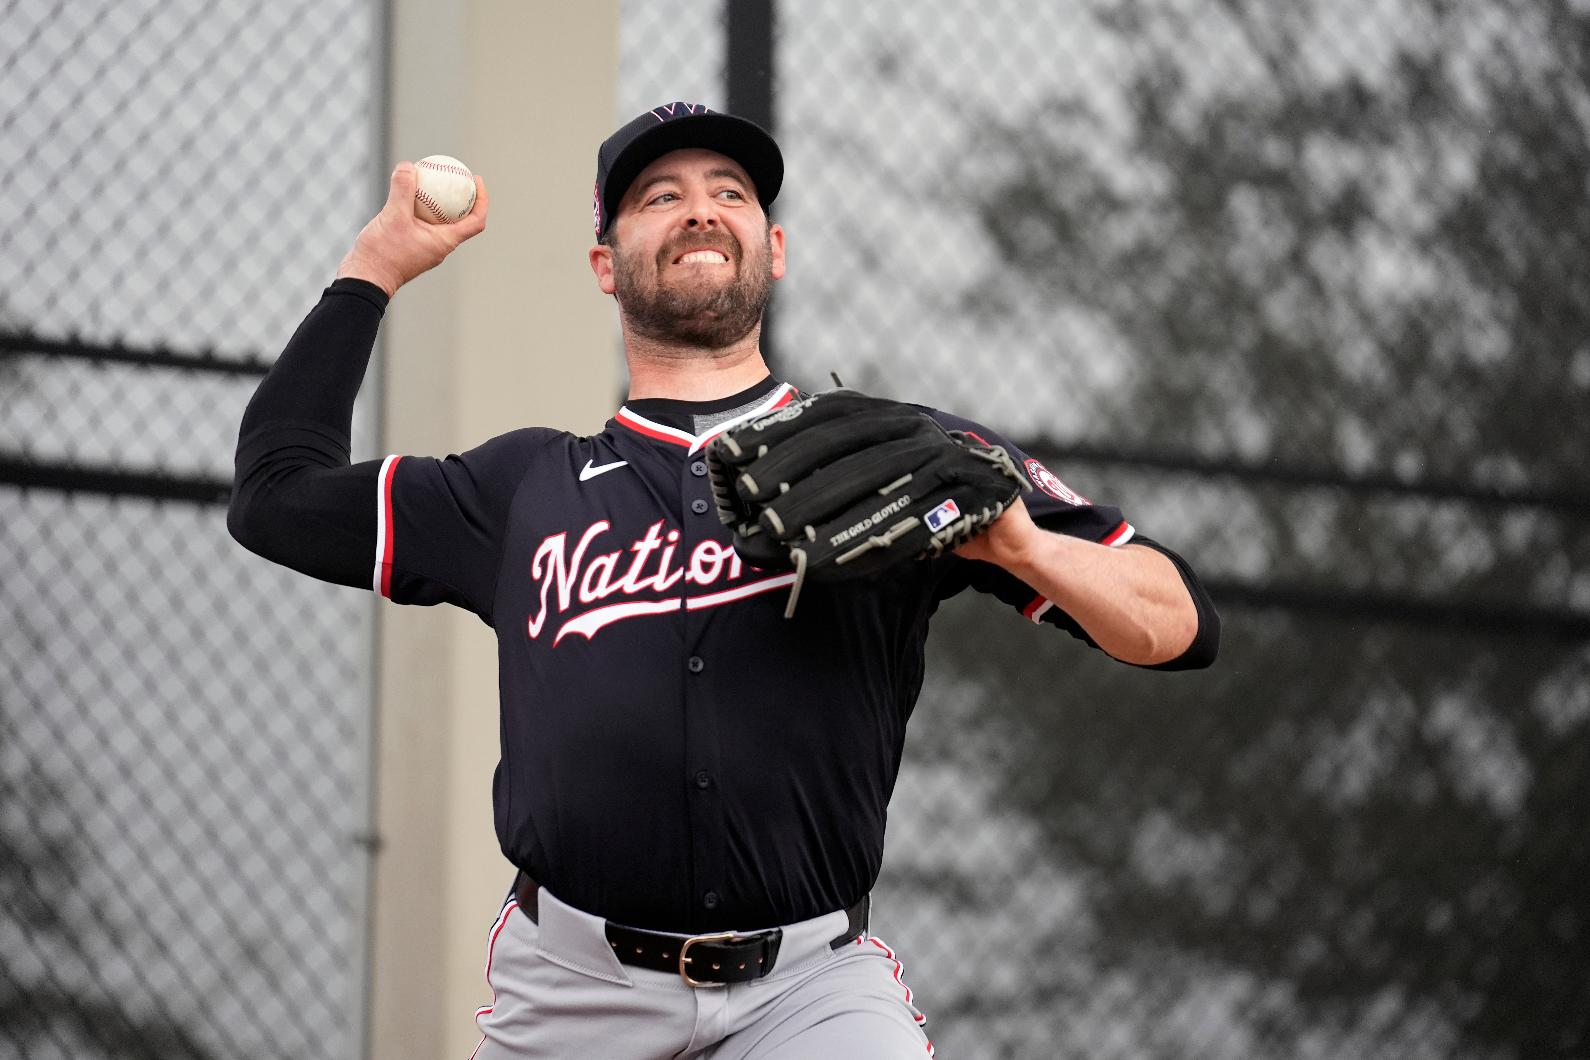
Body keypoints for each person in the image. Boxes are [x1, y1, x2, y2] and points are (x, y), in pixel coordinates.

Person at [228, 101, 1219, 1059]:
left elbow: (1178, 623)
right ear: (605, 266)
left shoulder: (906, 459)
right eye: (659, 195)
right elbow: (277, 497)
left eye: (729, 190)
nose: (700, 207)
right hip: (571, 997)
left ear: (773, 248)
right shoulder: (521, 488)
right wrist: (375, 267)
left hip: (813, 994)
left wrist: (1021, 544)